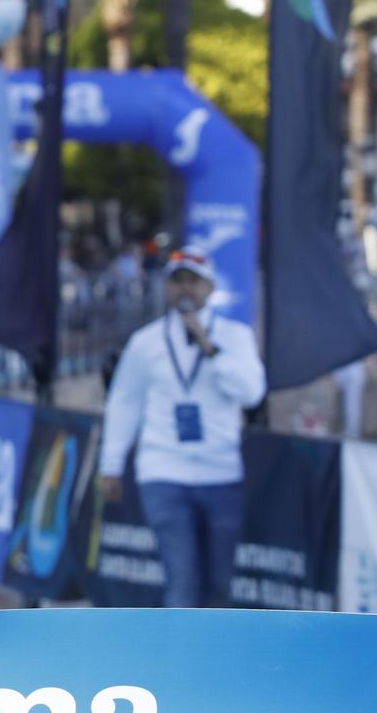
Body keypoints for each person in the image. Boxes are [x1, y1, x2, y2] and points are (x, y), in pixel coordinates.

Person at [97, 249, 267, 607]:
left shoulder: (235, 336)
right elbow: (124, 402)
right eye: (177, 281)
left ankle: (215, 659)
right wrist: (111, 465)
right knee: (183, 578)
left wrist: (210, 349)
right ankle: (182, 660)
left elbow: (251, 393)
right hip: (163, 471)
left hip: (220, 472)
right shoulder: (146, 341)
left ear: (210, 287)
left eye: (193, 281)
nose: (185, 289)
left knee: (220, 583)